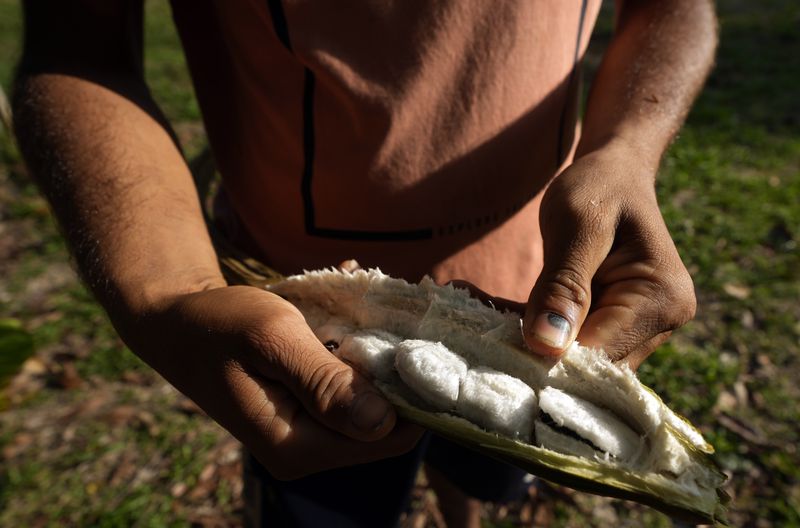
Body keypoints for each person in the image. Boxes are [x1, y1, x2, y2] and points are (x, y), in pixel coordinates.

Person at [12, 1, 717, 526]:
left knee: (481, 473)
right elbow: (79, 47)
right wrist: (167, 294)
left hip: (536, 292)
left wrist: (630, 144)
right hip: (291, 327)